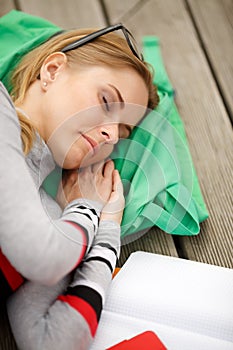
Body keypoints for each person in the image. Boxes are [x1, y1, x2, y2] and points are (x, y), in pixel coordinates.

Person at [0, 23, 159, 349]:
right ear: (53, 70)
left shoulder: (56, 219)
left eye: (123, 131)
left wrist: (108, 230)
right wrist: (87, 211)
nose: (112, 135)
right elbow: (42, 257)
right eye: (105, 101)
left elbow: (52, 342)